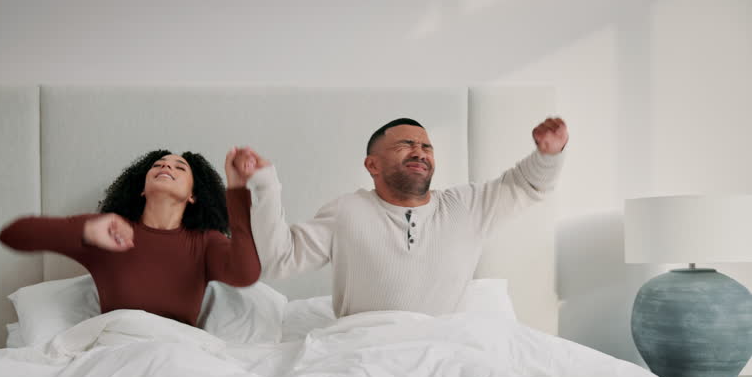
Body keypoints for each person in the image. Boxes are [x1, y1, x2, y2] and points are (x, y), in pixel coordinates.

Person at [231, 117, 568, 317]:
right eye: (406, 145)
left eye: (427, 146)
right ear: (372, 165)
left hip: (441, 353)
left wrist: (549, 153)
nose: (420, 151)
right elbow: (278, 261)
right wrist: (266, 186)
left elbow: (527, 185)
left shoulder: (466, 206)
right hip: (359, 350)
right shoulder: (347, 211)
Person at [0, 149, 260, 328]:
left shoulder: (205, 243)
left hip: (178, 359)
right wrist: (87, 232)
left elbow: (246, 272)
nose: (166, 165)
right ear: (142, 189)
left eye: (179, 167)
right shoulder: (107, 232)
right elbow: (13, 235)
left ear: (193, 195)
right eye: (157, 165)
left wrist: (237, 190)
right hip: (116, 359)